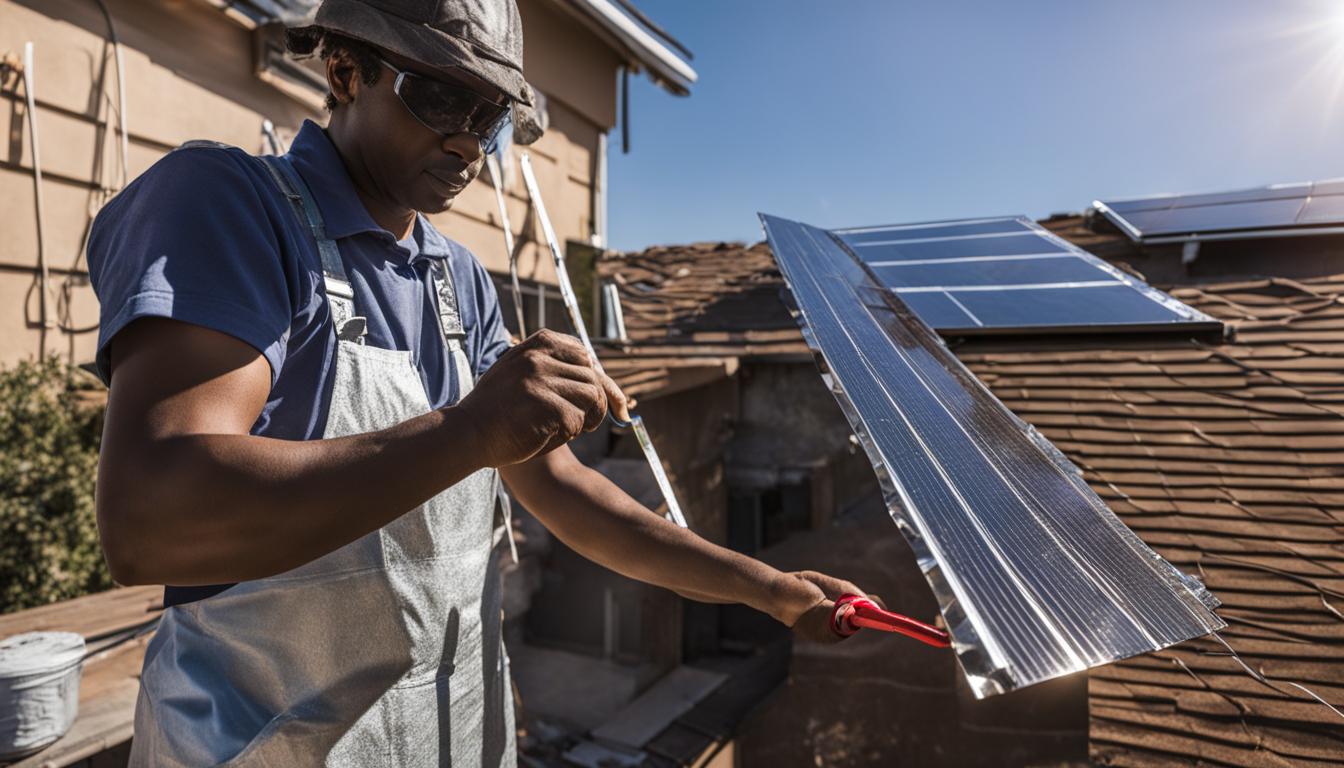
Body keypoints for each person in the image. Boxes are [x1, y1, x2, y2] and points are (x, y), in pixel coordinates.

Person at [87, 0, 876, 764]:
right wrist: (470, 431)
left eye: (491, 116)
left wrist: (769, 589)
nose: (470, 144)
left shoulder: (454, 279)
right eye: (441, 96)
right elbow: (151, 517)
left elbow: (563, 492)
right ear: (344, 70)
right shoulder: (230, 207)